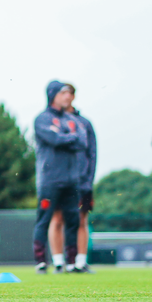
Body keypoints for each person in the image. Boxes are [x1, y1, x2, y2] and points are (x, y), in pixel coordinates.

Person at [33, 81, 87, 274]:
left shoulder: (72, 119)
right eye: (63, 93)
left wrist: (65, 137)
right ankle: (42, 262)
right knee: (45, 219)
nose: (67, 97)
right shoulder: (42, 119)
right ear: (53, 94)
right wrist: (67, 137)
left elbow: (82, 141)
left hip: (72, 180)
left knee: (73, 220)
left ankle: (71, 263)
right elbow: (53, 139)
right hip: (50, 180)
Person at [48, 83, 97, 273]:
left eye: (69, 93)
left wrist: (88, 179)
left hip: (81, 182)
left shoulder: (85, 123)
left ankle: (80, 262)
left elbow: (92, 153)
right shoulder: (50, 121)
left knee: (81, 220)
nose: (66, 96)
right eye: (62, 93)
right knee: (58, 219)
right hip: (58, 182)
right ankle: (59, 263)